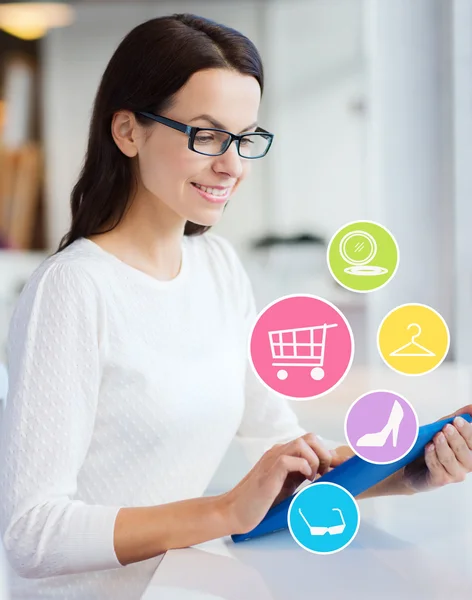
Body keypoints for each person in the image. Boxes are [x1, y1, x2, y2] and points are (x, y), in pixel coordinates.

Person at [0, 12, 471, 600]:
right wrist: (223, 511)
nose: (233, 165)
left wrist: (405, 473)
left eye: (246, 138)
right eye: (207, 135)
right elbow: (31, 533)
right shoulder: (72, 290)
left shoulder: (218, 267)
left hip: (185, 584)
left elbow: (281, 453)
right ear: (127, 132)